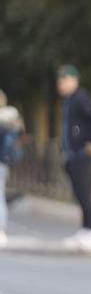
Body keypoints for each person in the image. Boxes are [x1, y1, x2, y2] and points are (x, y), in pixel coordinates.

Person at [57, 65, 91, 252]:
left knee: (84, 193)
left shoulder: (81, 98)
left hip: (81, 154)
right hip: (72, 154)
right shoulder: (70, 100)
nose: (60, 84)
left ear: (73, 80)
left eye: (64, 80)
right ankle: (86, 230)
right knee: (79, 192)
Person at [0, 89, 24, 248]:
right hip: (4, 161)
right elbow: (21, 133)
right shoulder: (12, 117)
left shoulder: (5, 118)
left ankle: (1, 230)